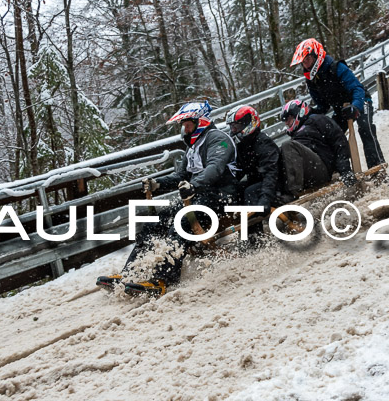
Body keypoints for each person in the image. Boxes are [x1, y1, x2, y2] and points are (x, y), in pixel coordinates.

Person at [97, 101, 239, 296]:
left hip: (222, 196)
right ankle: (130, 273)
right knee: (154, 223)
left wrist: (194, 185)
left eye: (188, 124)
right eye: (183, 125)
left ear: (201, 122)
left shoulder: (218, 139)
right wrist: (158, 183)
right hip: (198, 196)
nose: (185, 129)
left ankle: (163, 279)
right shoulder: (193, 147)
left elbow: (214, 168)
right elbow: (182, 175)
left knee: (181, 223)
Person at [290, 38, 387, 169]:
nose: (305, 65)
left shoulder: (337, 67)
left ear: (316, 55)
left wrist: (355, 106)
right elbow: (323, 106)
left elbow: (357, 88)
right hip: (341, 110)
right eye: (303, 62)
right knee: (331, 136)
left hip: (360, 100)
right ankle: (343, 171)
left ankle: (378, 168)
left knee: (365, 129)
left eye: (307, 60)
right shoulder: (312, 80)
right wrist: (309, 113)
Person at [278, 99, 357, 197]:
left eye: (288, 118)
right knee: (278, 152)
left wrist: (345, 171)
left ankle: (291, 193)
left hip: (321, 169)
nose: (286, 123)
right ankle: (278, 195)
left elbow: (339, 142)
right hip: (306, 174)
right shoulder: (295, 135)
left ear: (299, 113)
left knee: (287, 146)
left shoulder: (318, 120)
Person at [225, 104, 280, 213]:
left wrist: (265, 198)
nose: (234, 130)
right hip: (258, 182)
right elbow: (238, 171)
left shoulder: (263, 143)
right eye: (232, 127)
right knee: (236, 190)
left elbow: (271, 173)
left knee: (250, 192)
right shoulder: (242, 145)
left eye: (237, 126)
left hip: (275, 184)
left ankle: (254, 229)